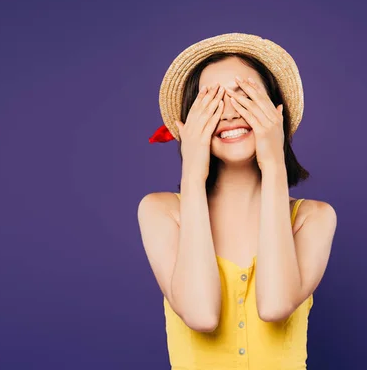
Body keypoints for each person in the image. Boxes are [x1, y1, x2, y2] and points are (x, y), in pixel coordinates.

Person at [138, 33, 337, 369]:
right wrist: (193, 173)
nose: (229, 113)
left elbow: (275, 306)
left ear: (277, 113)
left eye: (245, 96)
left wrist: (274, 165)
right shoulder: (162, 211)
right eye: (212, 101)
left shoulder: (314, 218)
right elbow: (200, 315)